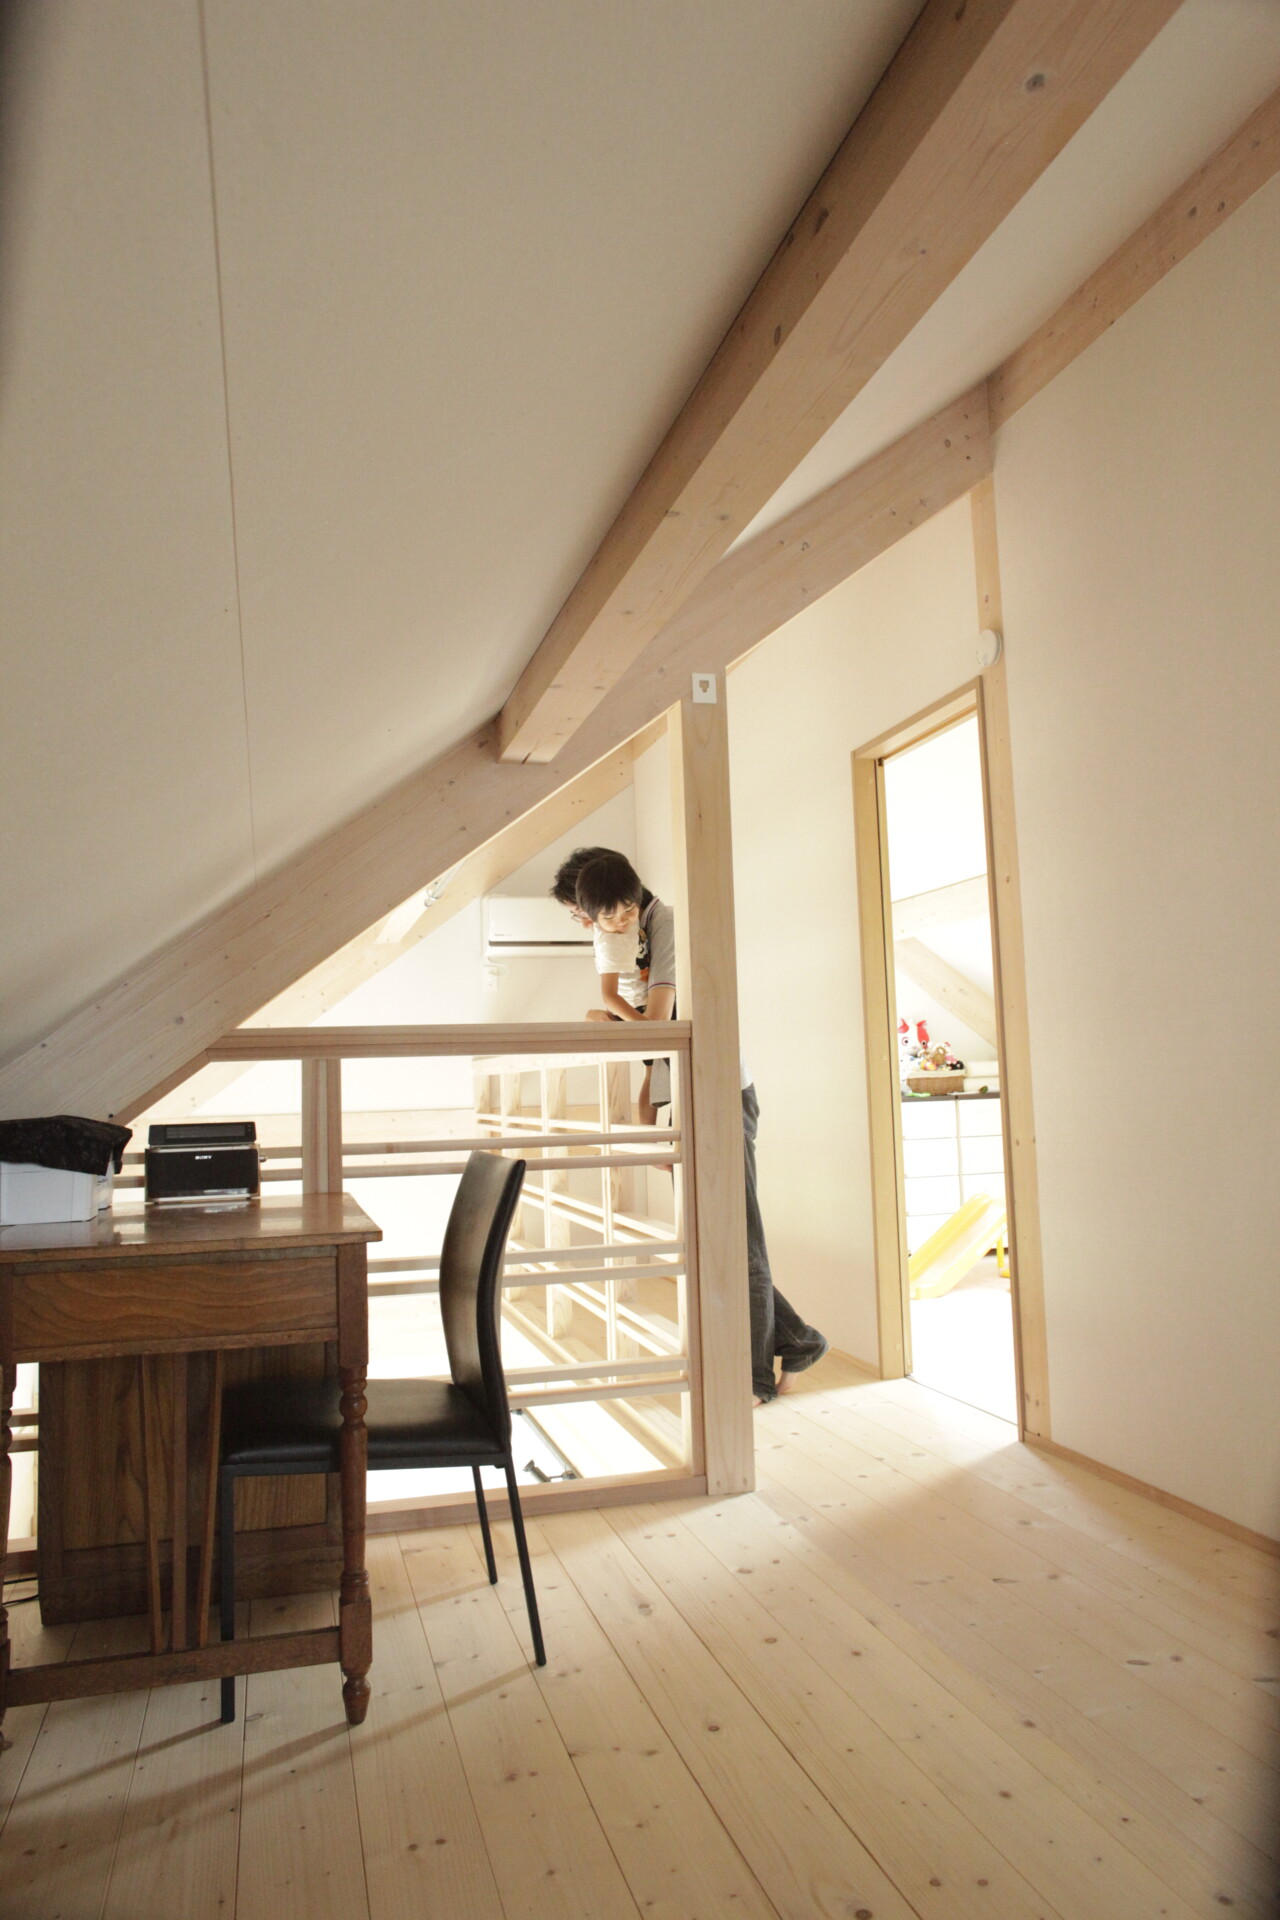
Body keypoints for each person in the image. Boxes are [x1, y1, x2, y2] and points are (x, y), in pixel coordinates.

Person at [550, 846, 827, 1404]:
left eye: (583, 910)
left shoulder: (666, 925)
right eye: (583, 914)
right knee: (712, 1235)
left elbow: (658, 1027)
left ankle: (752, 1377)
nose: (585, 922)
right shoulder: (629, 937)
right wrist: (650, 1116)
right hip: (685, 1090)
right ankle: (796, 1339)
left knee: (737, 1238)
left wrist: (608, 1017)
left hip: (719, 1090)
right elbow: (657, 1050)